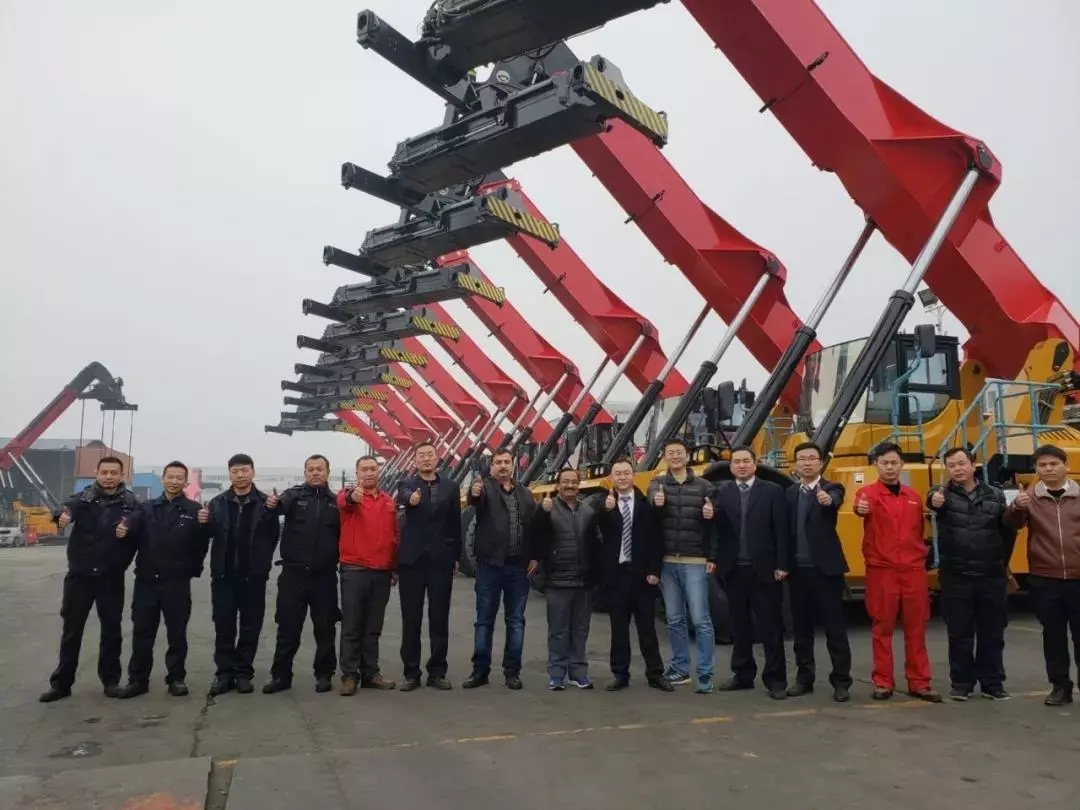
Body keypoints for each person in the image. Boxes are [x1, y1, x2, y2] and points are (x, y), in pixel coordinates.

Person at [40, 456, 140, 703]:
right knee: (72, 631)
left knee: (111, 631)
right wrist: (61, 516)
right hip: (80, 577)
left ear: (121, 475)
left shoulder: (131, 504)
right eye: (104, 472)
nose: (108, 477)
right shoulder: (83, 499)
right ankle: (61, 684)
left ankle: (111, 681)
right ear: (96, 473)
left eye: (113, 472)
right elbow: (64, 509)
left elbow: (141, 526)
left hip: (110, 578)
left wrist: (129, 528)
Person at [854, 441, 942, 702]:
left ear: (902, 464)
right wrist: (860, 508)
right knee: (882, 627)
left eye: (894, 462)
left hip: (913, 570)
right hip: (883, 571)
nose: (890, 467)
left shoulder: (913, 496)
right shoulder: (867, 494)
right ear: (876, 465)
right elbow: (860, 507)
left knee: (917, 627)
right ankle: (883, 681)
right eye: (884, 463)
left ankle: (920, 682)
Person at [118, 461, 212, 699]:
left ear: (185, 482)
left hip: (176, 583)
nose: (174, 481)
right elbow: (131, 526)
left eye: (179, 477)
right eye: (170, 476)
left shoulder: (194, 510)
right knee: (142, 633)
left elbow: (201, 544)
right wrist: (124, 528)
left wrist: (204, 526)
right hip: (147, 581)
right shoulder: (146, 508)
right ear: (163, 478)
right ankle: (137, 680)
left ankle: (176, 678)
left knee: (177, 633)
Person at [928, 447, 1015, 702]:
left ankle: (992, 683)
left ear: (973, 464)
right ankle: (961, 683)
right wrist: (933, 499)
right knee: (959, 633)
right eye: (951, 465)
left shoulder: (996, 495)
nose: (957, 469)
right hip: (956, 576)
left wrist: (1001, 564)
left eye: (961, 463)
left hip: (990, 576)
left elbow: (1008, 532)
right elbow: (931, 500)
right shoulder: (942, 495)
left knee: (993, 633)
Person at [1004, 443, 1080, 706]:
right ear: (1036, 469)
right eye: (1042, 465)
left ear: (1066, 466)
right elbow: (1011, 524)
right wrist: (1016, 506)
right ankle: (1060, 687)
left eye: (1054, 464)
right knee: (1053, 636)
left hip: (1078, 578)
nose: (1048, 469)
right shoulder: (1029, 498)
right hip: (1046, 578)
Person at [713, 446, 789, 700]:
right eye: (737, 462)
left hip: (765, 570)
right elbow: (717, 531)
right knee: (739, 625)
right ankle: (743, 674)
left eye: (746, 461)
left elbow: (781, 531)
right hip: (734, 570)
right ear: (731, 466)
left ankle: (776, 679)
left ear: (755, 464)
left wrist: (782, 564)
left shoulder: (773, 491)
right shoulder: (722, 492)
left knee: (770, 626)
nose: (742, 465)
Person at [204, 454, 281, 696]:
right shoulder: (217, 503)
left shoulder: (266, 504)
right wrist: (203, 522)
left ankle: (244, 673)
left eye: (244, 470)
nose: (240, 475)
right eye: (235, 471)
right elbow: (208, 535)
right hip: (224, 577)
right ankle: (224, 674)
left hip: (253, 578)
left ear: (253, 472)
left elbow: (272, 537)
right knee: (224, 626)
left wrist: (261, 565)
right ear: (229, 474)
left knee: (250, 626)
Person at [263, 455, 341, 695]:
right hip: (293, 575)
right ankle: (281, 676)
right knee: (287, 628)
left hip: (324, 576)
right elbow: (277, 506)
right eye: (311, 469)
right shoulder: (293, 496)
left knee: (325, 629)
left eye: (320, 469)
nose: (315, 473)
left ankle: (324, 674)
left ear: (328, 472)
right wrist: (272, 504)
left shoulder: (336, 502)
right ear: (305, 472)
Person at [646, 439, 716, 693]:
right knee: (674, 619)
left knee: (700, 619)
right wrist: (656, 503)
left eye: (679, 452)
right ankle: (680, 669)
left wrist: (712, 555)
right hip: (667, 562)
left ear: (688, 456)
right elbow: (650, 513)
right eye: (670, 453)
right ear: (665, 457)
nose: (675, 456)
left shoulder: (705, 486)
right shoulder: (657, 484)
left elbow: (715, 525)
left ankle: (705, 673)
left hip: (695, 561)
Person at [462, 448, 536, 691]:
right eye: (498, 462)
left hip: (518, 568)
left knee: (516, 621)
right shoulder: (484, 489)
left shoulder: (525, 494)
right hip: (490, 567)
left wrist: (535, 556)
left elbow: (533, 527)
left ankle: (512, 672)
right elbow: (475, 500)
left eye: (506, 462)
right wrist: (473, 492)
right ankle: (480, 671)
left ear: (513, 465)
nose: (503, 466)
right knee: (484, 621)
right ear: (491, 466)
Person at [597, 458, 673, 692]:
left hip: (641, 576)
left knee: (647, 628)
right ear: (612, 478)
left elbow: (656, 540)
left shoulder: (645, 505)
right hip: (617, 575)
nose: (622, 477)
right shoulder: (606, 504)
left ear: (633, 476)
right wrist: (605, 511)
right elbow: (600, 533)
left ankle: (655, 674)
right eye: (617, 474)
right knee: (619, 629)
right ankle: (620, 674)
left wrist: (654, 571)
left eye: (626, 473)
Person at [784, 442, 852, 702]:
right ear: (795, 464)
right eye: (802, 458)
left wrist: (827, 500)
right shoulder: (790, 493)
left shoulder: (832, 487)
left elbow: (834, 499)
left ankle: (841, 682)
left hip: (826, 571)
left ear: (821, 463)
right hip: (797, 571)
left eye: (812, 458)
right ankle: (804, 679)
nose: (807, 463)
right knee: (801, 630)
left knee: (835, 629)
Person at [526, 468, 603, 690]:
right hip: (557, 580)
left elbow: (597, 543)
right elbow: (534, 535)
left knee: (580, 631)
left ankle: (578, 673)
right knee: (558, 631)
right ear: (558, 485)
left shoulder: (588, 511)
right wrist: (542, 512)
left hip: (583, 581)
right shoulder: (548, 508)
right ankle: (557, 673)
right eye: (566, 482)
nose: (570, 486)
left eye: (574, 482)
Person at [395, 441, 462, 691]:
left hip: (440, 562)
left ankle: (437, 671)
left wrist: (456, 556)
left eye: (429, 455)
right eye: (421, 455)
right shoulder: (406, 484)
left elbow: (455, 524)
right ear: (415, 460)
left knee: (439, 618)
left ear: (437, 458)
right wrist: (411, 499)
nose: (425, 459)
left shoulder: (451, 487)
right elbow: (403, 497)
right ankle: (411, 673)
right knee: (411, 619)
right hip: (412, 562)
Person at [337, 455, 399, 696]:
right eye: (364, 469)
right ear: (357, 473)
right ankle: (349, 675)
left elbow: (394, 536)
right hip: (355, 569)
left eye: (373, 468)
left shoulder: (388, 501)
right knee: (352, 625)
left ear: (379, 471)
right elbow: (344, 500)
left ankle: (370, 673)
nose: (369, 473)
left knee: (373, 627)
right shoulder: (350, 496)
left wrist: (393, 567)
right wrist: (352, 496)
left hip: (381, 571)